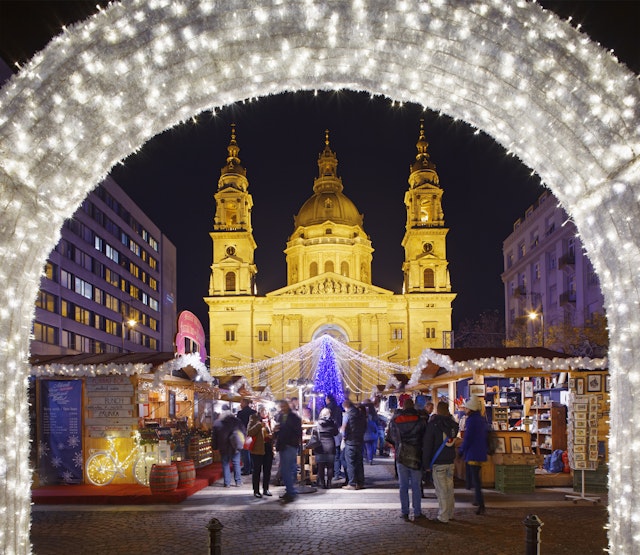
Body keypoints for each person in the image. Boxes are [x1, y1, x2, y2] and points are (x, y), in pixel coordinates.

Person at [387, 398, 427, 521]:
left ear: (403, 406)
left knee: (403, 485)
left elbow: (390, 438)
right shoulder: (420, 420)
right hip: (416, 455)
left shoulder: (396, 420)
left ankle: (404, 512)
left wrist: (397, 445)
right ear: (413, 406)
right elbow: (425, 438)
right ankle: (417, 512)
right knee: (416, 485)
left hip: (401, 454)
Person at [424, 401, 460, 523]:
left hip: (438, 461)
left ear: (437, 410)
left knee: (441, 490)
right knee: (449, 489)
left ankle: (443, 516)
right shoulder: (454, 425)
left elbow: (428, 445)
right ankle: (450, 513)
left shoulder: (433, 425)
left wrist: (426, 463)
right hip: (450, 460)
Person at [459, 396, 488, 514]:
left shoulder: (471, 421)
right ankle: (477, 499)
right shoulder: (482, 419)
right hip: (480, 452)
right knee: (476, 478)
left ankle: (481, 504)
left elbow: (468, 438)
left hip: (472, 453)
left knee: (475, 480)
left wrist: (461, 450)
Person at [274, 399, 302, 503]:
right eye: (281, 407)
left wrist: (282, 429)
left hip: (290, 445)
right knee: (285, 469)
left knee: (288, 469)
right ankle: (289, 490)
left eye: (283, 406)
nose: (282, 409)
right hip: (282, 445)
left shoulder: (294, 417)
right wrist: (276, 431)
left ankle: (291, 491)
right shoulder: (280, 416)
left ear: (287, 406)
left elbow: (297, 431)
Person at [212, 404, 245, 487]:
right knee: (236, 463)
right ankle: (238, 482)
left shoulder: (217, 423)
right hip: (235, 446)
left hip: (223, 447)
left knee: (225, 463)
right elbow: (243, 432)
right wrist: (241, 442)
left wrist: (214, 446)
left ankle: (227, 483)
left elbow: (214, 437)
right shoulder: (237, 421)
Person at [247, 404, 275, 498]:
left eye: (266, 411)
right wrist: (259, 425)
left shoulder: (271, 420)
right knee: (257, 470)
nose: (264, 413)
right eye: (262, 411)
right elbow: (249, 432)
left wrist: (273, 435)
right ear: (259, 412)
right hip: (257, 449)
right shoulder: (254, 419)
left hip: (268, 448)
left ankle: (266, 489)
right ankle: (256, 490)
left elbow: (274, 432)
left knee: (267, 470)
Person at [342, 400, 366, 490]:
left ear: (346, 407)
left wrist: (344, 437)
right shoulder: (360, 414)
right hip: (359, 440)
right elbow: (365, 426)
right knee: (359, 462)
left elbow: (344, 428)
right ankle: (361, 482)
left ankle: (352, 483)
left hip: (350, 441)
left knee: (350, 462)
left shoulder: (347, 415)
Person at [313, 407, 339, 488]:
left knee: (321, 466)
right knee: (330, 466)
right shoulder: (333, 423)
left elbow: (313, 433)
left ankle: (322, 484)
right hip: (330, 445)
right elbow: (336, 433)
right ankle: (329, 483)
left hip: (320, 446)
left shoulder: (317, 423)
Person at [325, 394, 344, 480]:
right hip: (337, 434)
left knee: (332, 457)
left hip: (329, 438)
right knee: (337, 455)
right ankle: (337, 472)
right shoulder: (338, 408)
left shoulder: (328, 409)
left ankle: (333, 473)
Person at [236, 398, 257, 476]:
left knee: (245, 452)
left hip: (244, 434)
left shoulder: (240, 413)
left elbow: (238, 424)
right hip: (253, 434)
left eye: (241, 403)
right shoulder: (254, 412)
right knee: (251, 451)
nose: (240, 405)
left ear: (245, 403)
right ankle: (252, 467)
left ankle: (247, 469)